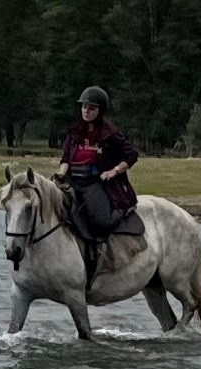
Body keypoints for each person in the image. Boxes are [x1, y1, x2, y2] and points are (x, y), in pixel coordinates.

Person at [56, 87, 140, 251]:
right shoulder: (73, 133)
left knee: (103, 222)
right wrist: (60, 173)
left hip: (93, 182)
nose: (86, 111)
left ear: (100, 111)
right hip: (72, 181)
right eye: (84, 106)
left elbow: (131, 155)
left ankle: (123, 209)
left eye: (91, 108)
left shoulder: (110, 134)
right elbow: (66, 159)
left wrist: (114, 171)